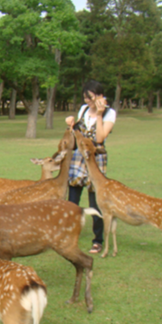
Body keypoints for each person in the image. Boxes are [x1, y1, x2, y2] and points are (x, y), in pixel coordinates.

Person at [65, 81, 117, 254]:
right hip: (79, 158)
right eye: (85, 97)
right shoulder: (84, 110)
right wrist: (71, 124)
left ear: (101, 96)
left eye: (91, 97)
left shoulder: (110, 113)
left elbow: (100, 138)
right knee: (72, 199)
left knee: (96, 201)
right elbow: (78, 132)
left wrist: (100, 114)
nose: (88, 101)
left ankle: (97, 240)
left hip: (95, 159)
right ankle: (69, 234)